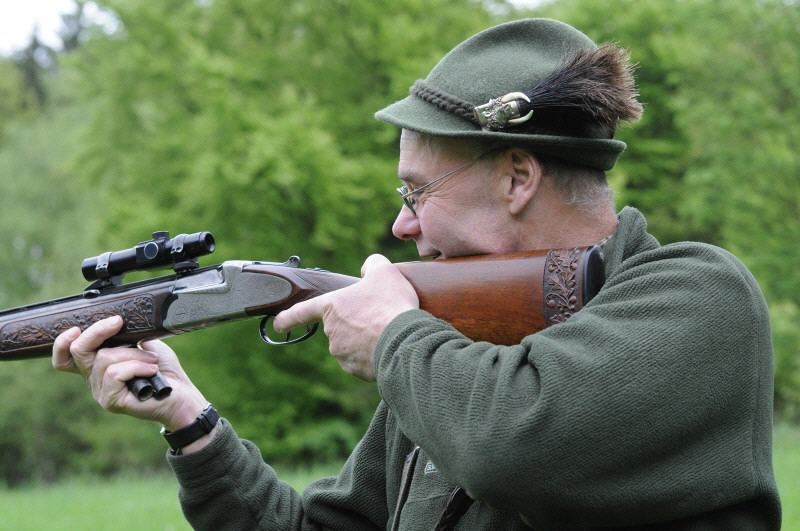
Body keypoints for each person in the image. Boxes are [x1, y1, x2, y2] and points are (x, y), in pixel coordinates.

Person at [52, 18, 781, 530]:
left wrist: (394, 334)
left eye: (416, 192)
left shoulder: (698, 295)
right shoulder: (448, 353)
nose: (402, 226)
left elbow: (509, 447)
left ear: (518, 177)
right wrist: (190, 423)